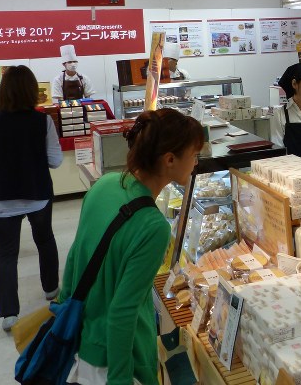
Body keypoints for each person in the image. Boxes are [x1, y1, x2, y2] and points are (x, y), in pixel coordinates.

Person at [62, 109, 205, 385]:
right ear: (170, 159)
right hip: (116, 360)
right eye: (194, 154)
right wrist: (120, 379)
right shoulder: (153, 226)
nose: (196, 162)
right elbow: (123, 311)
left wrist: (63, 315)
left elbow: (75, 257)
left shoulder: (104, 185)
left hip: (81, 340)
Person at [0, 65, 63, 331]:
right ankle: (51, 289)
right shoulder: (43, 121)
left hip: (0, 196)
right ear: (31, 90)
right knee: (45, 240)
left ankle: (9, 315)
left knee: (6, 253)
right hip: (36, 192)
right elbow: (56, 160)